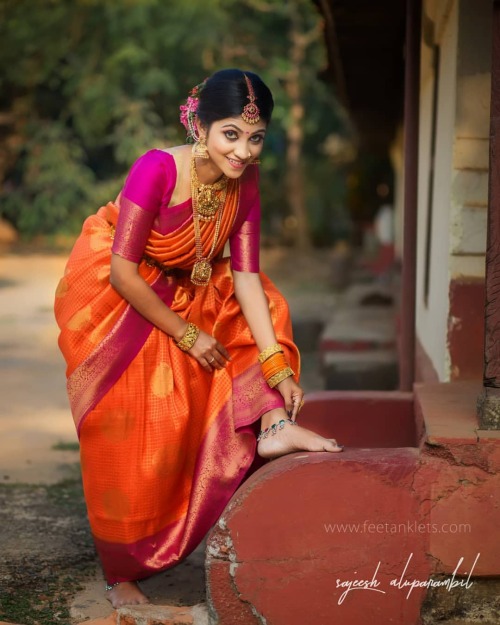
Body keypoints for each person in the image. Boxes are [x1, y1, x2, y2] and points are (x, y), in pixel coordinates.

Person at [54, 68, 343, 609]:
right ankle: (122, 570)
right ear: (200, 125)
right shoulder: (156, 170)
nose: (243, 151)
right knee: (140, 422)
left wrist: (277, 365)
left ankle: (275, 423)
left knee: (264, 311)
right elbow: (122, 271)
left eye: (255, 138)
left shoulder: (246, 181)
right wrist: (188, 335)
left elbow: (248, 277)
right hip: (122, 289)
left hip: (194, 285)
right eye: (231, 133)